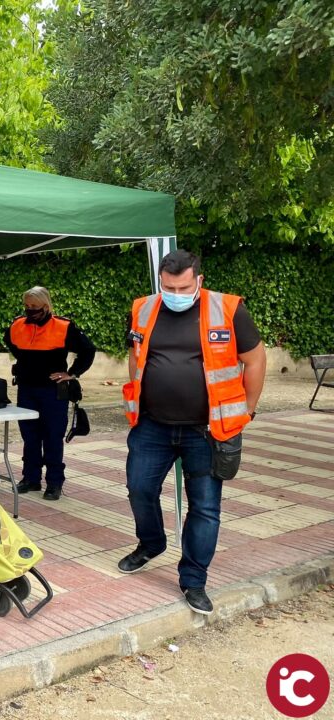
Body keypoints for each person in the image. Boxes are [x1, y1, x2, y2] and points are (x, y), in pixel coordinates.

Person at [118, 249, 266, 615]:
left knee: (205, 508)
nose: (175, 294)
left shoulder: (228, 309)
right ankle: (151, 544)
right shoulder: (143, 308)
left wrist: (247, 408)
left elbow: (256, 358)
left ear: (199, 280)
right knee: (139, 488)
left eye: (184, 287)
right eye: (168, 287)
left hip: (206, 429)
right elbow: (135, 353)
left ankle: (193, 580)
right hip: (152, 424)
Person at [5, 286, 96, 500]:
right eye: (27, 306)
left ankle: (54, 483)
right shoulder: (17, 325)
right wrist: (26, 365)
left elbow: (88, 350)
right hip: (26, 389)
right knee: (30, 436)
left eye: (34, 307)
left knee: (53, 436)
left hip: (54, 391)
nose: (30, 310)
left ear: (46, 306)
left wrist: (71, 373)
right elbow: (10, 342)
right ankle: (31, 479)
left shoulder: (63, 327)